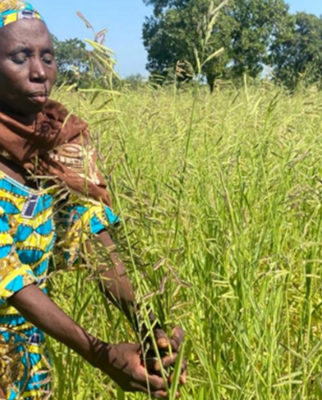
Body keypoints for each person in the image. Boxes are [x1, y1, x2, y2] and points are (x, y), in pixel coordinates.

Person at [0, 1, 186, 399]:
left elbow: (90, 238)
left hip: (28, 370)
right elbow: (10, 279)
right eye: (20, 57)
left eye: (47, 57)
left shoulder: (53, 151)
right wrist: (101, 355)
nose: (40, 72)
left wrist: (149, 327)